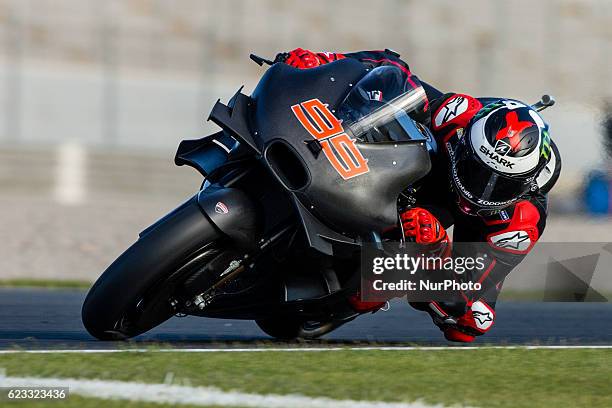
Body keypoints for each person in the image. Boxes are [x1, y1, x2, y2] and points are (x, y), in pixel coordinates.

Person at [275, 48, 562, 342]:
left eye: (499, 184)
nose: (482, 190)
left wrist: (435, 258)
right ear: (466, 141)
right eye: (476, 171)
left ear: (525, 184)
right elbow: (394, 70)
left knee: (451, 310)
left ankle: (332, 307)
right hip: (421, 172)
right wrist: (324, 61)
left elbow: (467, 315)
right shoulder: (458, 114)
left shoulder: (520, 222)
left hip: (454, 224)